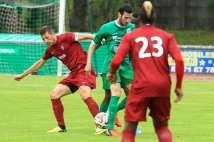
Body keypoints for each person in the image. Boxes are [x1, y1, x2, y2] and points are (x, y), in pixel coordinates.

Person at [107, 1, 184, 142]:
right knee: (162, 128)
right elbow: (179, 61)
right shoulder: (167, 37)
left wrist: (112, 72)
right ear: (155, 19)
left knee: (129, 129)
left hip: (141, 85)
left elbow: (117, 60)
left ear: (139, 19)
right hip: (162, 86)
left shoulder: (131, 36)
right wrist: (178, 87)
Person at [13, 26, 100, 133]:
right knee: (54, 94)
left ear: (53, 34)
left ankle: (100, 125)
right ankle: (61, 126)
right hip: (73, 74)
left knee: (85, 95)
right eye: (43, 39)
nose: (46, 41)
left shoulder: (67, 37)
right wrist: (22, 75)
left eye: (47, 37)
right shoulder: (50, 50)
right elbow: (40, 63)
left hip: (84, 69)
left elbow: (87, 36)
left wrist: (101, 38)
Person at [85, 3, 135, 137]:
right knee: (115, 94)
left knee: (132, 96)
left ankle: (110, 114)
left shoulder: (131, 27)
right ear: (119, 14)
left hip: (126, 65)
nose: (128, 21)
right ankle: (109, 128)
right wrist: (88, 63)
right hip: (111, 65)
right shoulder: (106, 28)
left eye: (130, 18)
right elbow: (93, 45)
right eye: (126, 17)